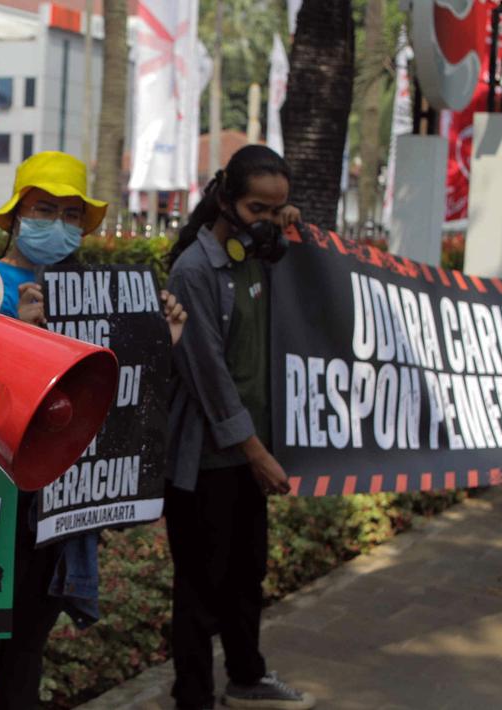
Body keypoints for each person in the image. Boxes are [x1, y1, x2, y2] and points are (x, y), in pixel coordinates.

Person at [0, 151, 186, 710]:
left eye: (72, 214)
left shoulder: (92, 296)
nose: (59, 224)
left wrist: (161, 341)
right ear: (16, 214)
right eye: (45, 209)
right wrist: (17, 337)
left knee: (28, 644)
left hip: (57, 508)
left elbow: (121, 399)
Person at [165, 145, 314, 710]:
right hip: (206, 462)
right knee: (200, 592)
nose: (268, 223)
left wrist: (292, 226)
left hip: (248, 456)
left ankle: (247, 676)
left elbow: (309, 282)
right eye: (259, 209)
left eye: (278, 210)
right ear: (225, 199)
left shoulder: (260, 256)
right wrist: (256, 452)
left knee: (247, 577)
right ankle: (194, 697)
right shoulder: (195, 269)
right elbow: (210, 378)